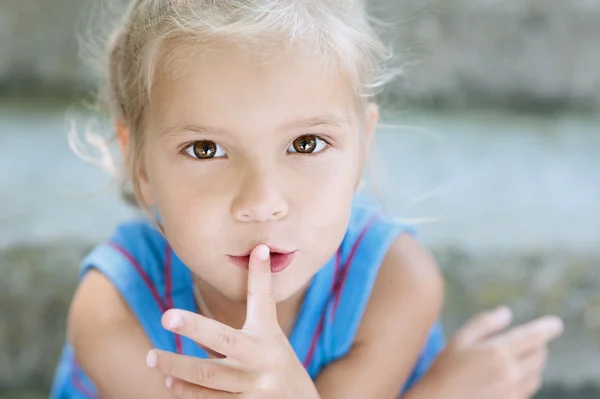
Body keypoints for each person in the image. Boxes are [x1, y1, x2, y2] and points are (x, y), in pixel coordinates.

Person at [51, 1, 563, 398]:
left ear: (362, 145)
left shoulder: (394, 282)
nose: (261, 201)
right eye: (205, 149)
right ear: (140, 164)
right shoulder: (113, 313)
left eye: (306, 144)